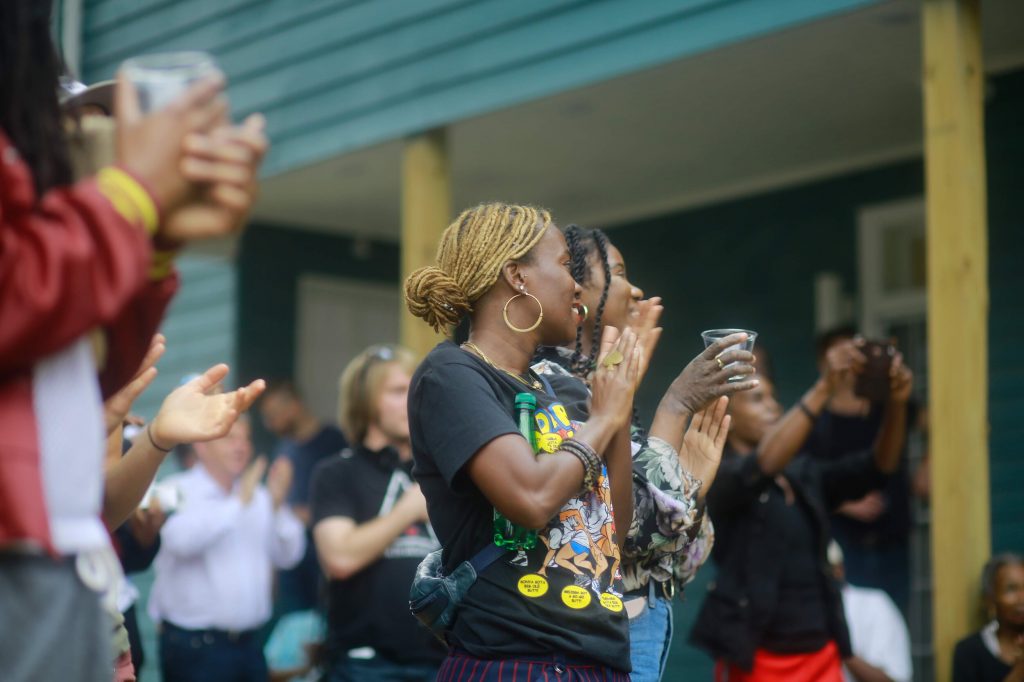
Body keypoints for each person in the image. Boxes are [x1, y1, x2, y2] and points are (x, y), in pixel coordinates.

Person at [0, 2, 265, 679]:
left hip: (60, 571)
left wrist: (157, 242)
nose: (92, 146)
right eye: (77, 129)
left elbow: (89, 368)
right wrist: (132, 198)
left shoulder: (65, 224)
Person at [405, 202, 643, 679]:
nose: (577, 286)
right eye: (563, 266)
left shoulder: (568, 390)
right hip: (514, 661)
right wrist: (604, 419)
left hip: (599, 662)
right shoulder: (452, 374)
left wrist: (614, 408)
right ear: (517, 276)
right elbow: (530, 497)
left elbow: (610, 537)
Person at [535, 224, 757, 681]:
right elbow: (626, 534)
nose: (636, 289)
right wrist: (674, 410)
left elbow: (680, 557)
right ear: (576, 291)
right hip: (602, 629)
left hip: (642, 620)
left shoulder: (604, 391)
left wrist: (690, 485)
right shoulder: (551, 388)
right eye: (616, 272)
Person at [691, 339, 913, 681]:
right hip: (757, 656)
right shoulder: (720, 476)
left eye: (774, 398)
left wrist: (897, 404)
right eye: (757, 400)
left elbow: (878, 467)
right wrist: (825, 387)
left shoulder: (804, 473)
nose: (773, 407)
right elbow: (763, 464)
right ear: (728, 418)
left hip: (821, 651)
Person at [310, 345, 446, 681]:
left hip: (442, 660)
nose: (413, 399)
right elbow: (339, 558)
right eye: (399, 391)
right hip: (365, 665)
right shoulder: (337, 472)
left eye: (416, 389)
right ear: (366, 401)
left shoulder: (441, 474)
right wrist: (407, 511)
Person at [149, 416, 306, 682]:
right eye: (230, 438)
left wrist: (278, 507)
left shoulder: (258, 496)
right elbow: (181, 541)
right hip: (195, 648)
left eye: (245, 439)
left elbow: (289, 556)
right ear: (201, 445)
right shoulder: (174, 489)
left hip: (250, 644)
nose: (241, 446)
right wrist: (238, 503)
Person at [803, 326, 913, 612]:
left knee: (894, 620)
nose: (849, 362)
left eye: (856, 353)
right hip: (844, 542)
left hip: (891, 539)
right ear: (822, 363)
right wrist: (846, 504)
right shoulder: (814, 420)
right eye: (841, 355)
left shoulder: (887, 408)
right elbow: (803, 477)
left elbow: (929, 419)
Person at [260, 379, 348, 616]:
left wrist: (309, 514)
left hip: (329, 559)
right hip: (293, 564)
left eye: (274, 415)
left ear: (294, 406)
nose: (270, 424)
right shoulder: (282, 451)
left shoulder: (335, 441)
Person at [828, 541, 912, 682]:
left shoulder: (874, 605)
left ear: (838, 570)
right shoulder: (787, 610)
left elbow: (894, 680)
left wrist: (843, 647)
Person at [953, 553, 1024, 682]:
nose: (1022, 598)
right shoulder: (969, 651)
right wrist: (1019, 672)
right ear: (990, 599)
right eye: (1011, 589)